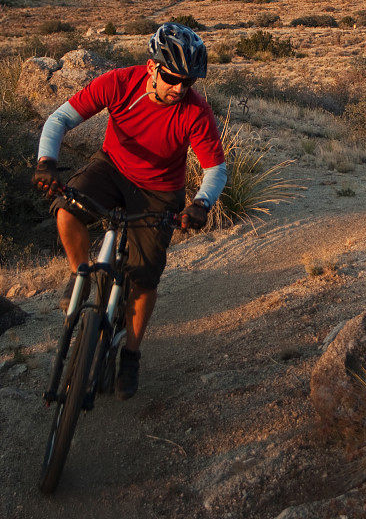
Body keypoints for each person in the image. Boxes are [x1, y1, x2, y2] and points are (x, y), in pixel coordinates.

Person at [32, 23, 227, 399]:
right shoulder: (119, 82)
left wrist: (201, 204)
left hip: (160, 190)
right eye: (173, 77)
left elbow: (214, 168)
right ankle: (80, 276)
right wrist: (46, 162)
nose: (180, 88)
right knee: (67, 210)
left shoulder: (196, 111)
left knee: (144, 277)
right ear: (152, 67)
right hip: (112, 168)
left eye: (188, 82)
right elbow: (60, 120)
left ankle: (131, 354)